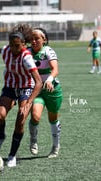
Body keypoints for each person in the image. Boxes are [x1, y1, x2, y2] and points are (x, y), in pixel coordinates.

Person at [0, 24, 42, 167]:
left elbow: (38, 83)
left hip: (25, 87)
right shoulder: (6, 50)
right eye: (11, 45)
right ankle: (1, 137)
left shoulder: (26, 58)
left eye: (17, 46)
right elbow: (0, 50)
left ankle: (12, 156)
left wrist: (28, 103)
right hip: (10, 86)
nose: (14, 49)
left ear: (23, 44)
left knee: (20, 120)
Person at [28, 28, 63, 158]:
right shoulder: (27, 52)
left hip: (52, 89)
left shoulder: (48, 51)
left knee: (53, 119)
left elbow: (55, 69)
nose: (34, 41)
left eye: (37, 38)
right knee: (35, 116)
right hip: (37, 90)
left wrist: (49, 80)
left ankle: (55, 146)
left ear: (44, 40)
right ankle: (33, 139)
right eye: (31, 38)